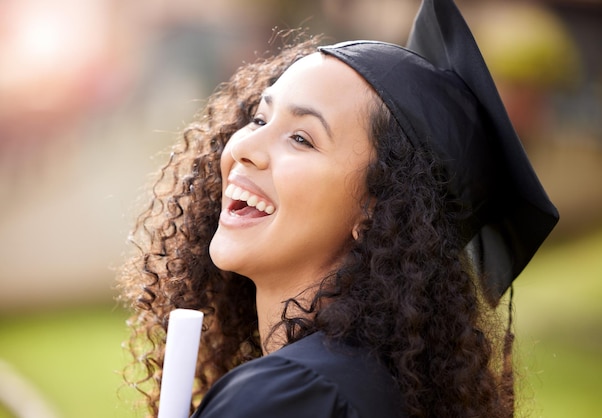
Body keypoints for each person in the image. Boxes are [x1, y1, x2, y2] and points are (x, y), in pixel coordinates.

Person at [117, 0, 559, 417]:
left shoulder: (288, 396)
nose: (246, 147)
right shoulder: (373, 387)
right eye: (260, 118)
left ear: (378, 209)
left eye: (302, 138)